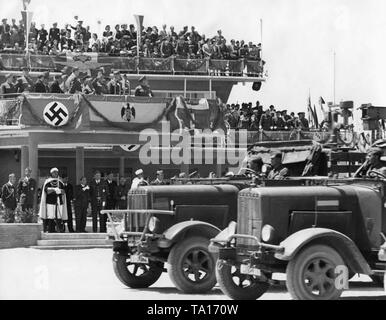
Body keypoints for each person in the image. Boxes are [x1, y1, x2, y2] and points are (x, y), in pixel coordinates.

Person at [39, 168, 68, 233]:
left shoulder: (60, 182)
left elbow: (63, 191)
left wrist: (58, 190)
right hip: (50, 202)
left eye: (56, 172)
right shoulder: (48, 181)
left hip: (59, 201)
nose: (55, 173)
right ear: (51, 173)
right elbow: (46, 190)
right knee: (51, 216)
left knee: (59, 215)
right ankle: (50, 229)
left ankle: (59, 229)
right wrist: (55, 190)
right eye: (54, 172)